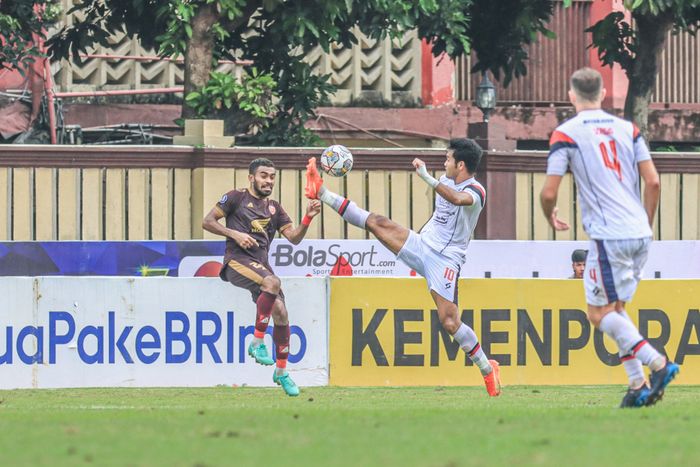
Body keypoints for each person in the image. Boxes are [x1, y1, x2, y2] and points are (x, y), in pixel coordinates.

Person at [305, 138, 502, 396]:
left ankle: (488, 369)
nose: (445, 163)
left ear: (461, 164)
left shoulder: (476, 191)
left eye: (448, 159)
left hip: (445, 261)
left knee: (450, 322)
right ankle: (322, 192)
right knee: (377, 222)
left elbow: (456, 199)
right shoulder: (445, 180)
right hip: (421, 245)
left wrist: (426, 178)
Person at [540, 67, 679, 408]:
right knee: (617, 310)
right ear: (603, 94)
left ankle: (658, 364)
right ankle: (636, 386)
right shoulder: (628, 129)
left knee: (598, 314)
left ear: (571, 96)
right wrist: (644, 223)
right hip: (639, 232)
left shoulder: (566, 134)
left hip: (608, 235)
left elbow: (548, 192)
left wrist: (550, 214)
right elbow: (654, 182)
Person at [202, 158, 321, 397]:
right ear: (251, 178)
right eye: (264, 175)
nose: (268, 180)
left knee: (281, 313)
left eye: (272, 177)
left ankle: (281, 371)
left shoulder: (275, 208)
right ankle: (257, 342)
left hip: (260, 267)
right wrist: (234, 234)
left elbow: (294, 238)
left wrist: (307, 218)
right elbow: (207, 221)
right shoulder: (235, 197)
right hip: (236, 261)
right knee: (273, 282)